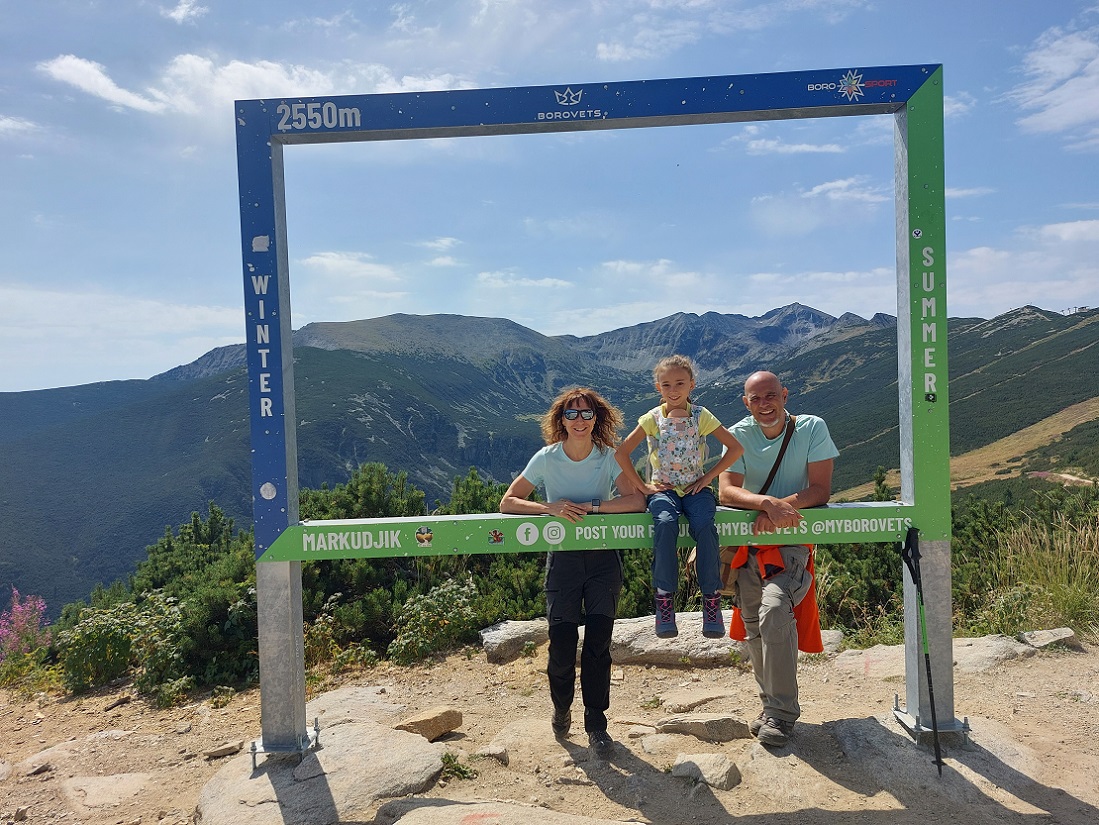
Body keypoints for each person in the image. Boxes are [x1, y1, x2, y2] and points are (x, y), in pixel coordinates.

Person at [500, 387, 646, 759]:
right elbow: (508, 501)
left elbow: (636, 500)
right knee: (561, 646)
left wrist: (592, 507)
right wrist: (550, 507)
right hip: (563, 562)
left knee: (598, 646)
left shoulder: (609, 456)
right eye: (571, 414)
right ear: (561, 420)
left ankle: (596, 724)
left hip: (603, 560)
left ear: (596, 418)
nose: (579, 420)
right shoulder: (546, 457)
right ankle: (561, 708)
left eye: (586, 413)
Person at [718, 370, 838, 747]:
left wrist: (776, 510)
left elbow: (820, 489)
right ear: (746, 403)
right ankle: (770, 706)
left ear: (785, 395)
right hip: (749, 546)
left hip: (792, 545)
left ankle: (782, 714)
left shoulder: (812, 427)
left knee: (773, 610)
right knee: (754, 624)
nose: (764, 404)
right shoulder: (738, 434)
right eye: (755, 398)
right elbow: (726, 491)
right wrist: (767, 504)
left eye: (770, 395)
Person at [614, 355, 744, 639]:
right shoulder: (652, 418)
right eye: (666, 385)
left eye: (680, 383)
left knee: (706, 528)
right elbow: (621, 453)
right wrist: (643, 487)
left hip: (696, 490)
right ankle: (664, 603)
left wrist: (708, 477)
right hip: (664, 491)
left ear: (691, 385)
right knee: (664, 524)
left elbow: (735, 448)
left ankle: (711, 600)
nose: (673, 390)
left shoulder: (701, 415)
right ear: (658, 387)